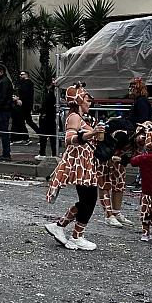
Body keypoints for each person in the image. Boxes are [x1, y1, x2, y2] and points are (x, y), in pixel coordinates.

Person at [45, 85, 103, 251]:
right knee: (89, 200)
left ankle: (60, 226)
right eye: (87, 100)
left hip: (85, 164)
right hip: (79, 164)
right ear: (78, 101)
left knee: (87, 200)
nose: (89, 103)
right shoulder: (74, 117)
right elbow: (69, 139)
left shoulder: (79, 117)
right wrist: (91, 134)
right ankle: (76, 236)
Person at [14, 71, 39, 145]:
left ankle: (26, 138)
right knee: (27, 121)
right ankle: (26, 137)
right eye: (20, 74)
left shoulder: (28, 83)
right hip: (24, 104)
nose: (20, 76)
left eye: (22, 74)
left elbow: (25, 93)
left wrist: (19, 98)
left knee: (25, 121)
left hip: (26, 105)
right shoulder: (23, 83)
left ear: (27, 75)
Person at [35, 80, 57, 160]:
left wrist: (40, 112)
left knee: (43, 137)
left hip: (46, 118)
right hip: (51, 118)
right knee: (52, 138)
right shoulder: (54, 96)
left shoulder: (48, 96)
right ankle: (54, 153)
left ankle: (42, 153)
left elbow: (45, 107)